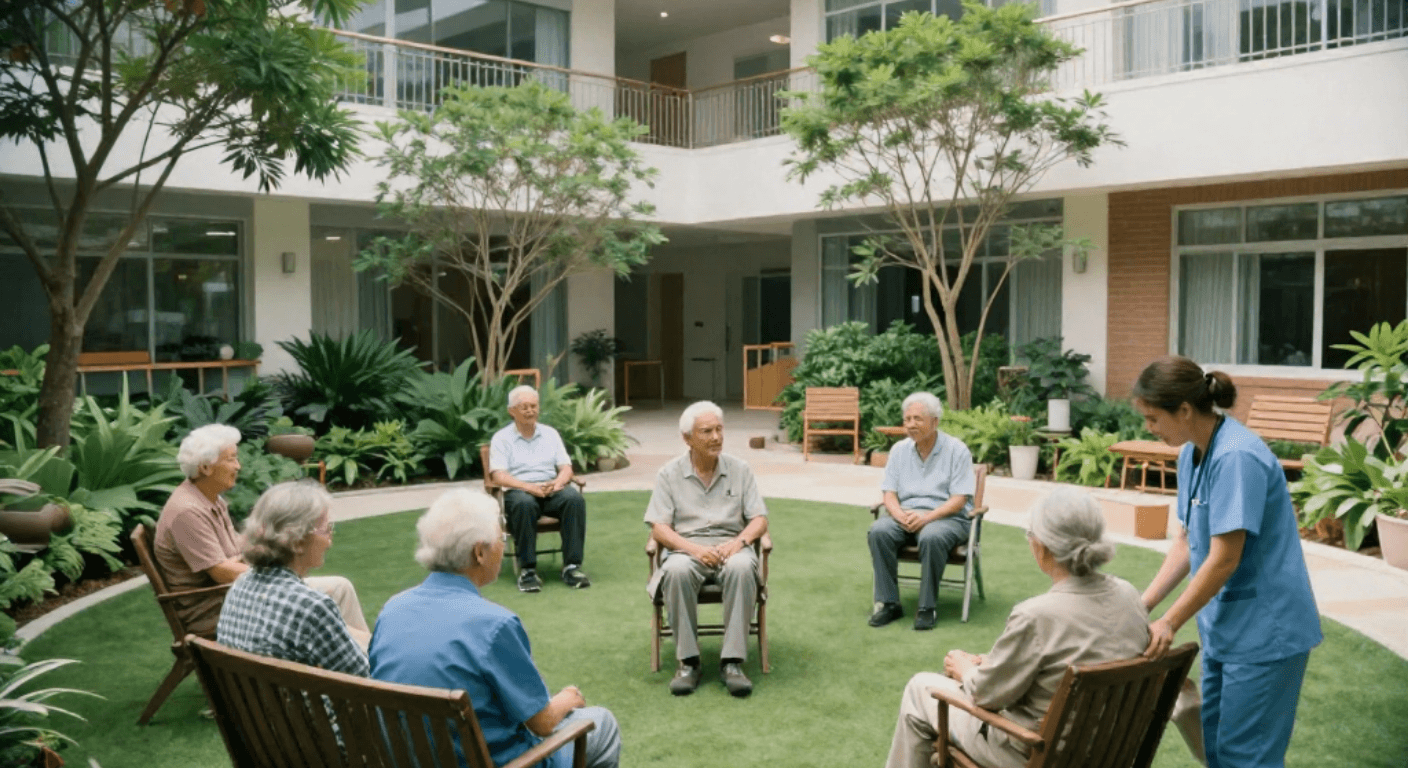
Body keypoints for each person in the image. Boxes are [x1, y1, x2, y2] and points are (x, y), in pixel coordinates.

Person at [1135, 357, 1321, 768]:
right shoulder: (1191, 454)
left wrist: (1169, 622)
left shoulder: (1238, 457)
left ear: (1183, 410)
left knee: (1246, 758)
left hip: (1266, 633)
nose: (1148, 427)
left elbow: (1223, 559)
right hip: (1226, 630)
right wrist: (1142, 606)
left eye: (1153, 418)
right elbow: (1186, 541)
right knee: (1216, 750)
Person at [887, 488, 1150, 768]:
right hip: (1108, 752)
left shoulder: (1036, 616)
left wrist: (965, 669)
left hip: (1035, 755)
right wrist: (992, 663)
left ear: (1042, 546)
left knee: (920, 690)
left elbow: (986, 696)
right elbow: (1074, 657)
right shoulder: (1130, 595)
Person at [370, 489, 620, 768]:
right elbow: (542, 722)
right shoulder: (494, 625)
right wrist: (568, 699)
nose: (503, 545)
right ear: (479, 552)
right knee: (602, 723)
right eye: (501, 538)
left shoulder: (393, 609)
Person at [154, 424, 369, 646]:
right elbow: (221, 572)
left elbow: (238, 551)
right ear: (206, 467)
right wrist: (285, 580)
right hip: (213, 607)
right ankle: (359, 661)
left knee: (340, 587)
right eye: (230, 459)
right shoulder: (187, 511)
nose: (238, 466)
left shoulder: (210, 499)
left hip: (232, 594)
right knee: (333, 591)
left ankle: (358, 655)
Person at [644, 401, 768, 698]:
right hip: (687, 548)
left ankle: (732, 663)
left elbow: (759, 520)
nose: (716, 437)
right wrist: (694, 550)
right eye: (706, 431)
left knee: (741, 567)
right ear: (687, 438)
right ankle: (688, 662)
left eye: (719, 429)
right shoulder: (669, 473)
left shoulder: (740, 470)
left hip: (731, 546)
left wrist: (737, 544)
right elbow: (659, 528)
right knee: (674, 570)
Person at [216, 480, 367, 677]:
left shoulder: (240, 584)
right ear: (297, 542)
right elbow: (363, 677)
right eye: (327, 529)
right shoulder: (313, 606)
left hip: (251, 704)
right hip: (303, 707)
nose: (329, 540)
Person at [868, 391, 976, 631]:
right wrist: (897, 514)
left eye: (918, 419)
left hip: (946, 518)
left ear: (935, 421)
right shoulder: (898, 450)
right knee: (879, 530)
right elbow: (889, 493)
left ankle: (927, 607)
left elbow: (959, 499)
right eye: (907, 419)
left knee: (931, 536)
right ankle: (889, 603)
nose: (911, 425)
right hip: (905, 515)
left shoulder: (957, 451)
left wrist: (926, 517)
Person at [489, 385, 590, 592]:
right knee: (524, 503)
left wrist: (558, 483)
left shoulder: (550, 434)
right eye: (523, 406)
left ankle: (572, 567)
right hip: (520, 490)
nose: (529, 411)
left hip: (550, 488)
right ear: (512, 411)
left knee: (573, 499)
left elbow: (566, 467)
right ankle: (528, 571)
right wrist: (529, 487)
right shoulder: (501, 438)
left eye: (533, 406)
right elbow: (498, 475)